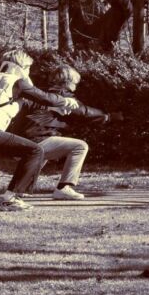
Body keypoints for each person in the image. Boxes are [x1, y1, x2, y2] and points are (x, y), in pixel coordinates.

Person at [0, 50, 79, 212]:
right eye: (28, 68)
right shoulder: (17, 82)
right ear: (21, 67)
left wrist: (54, 106)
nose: (29, 72)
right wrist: (65, 101)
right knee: (35, 151)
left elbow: (29, 102)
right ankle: (11, 198)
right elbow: (44, 97)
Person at [10, 64, 117, 200]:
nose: (76, 86)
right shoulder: (64, 97)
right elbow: (84, 113)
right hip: (36, 141)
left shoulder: (39, 93)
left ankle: (21, 188)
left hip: (18, 142)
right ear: (68, 83)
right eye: (75, 83)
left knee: (46, 149)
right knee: (80, 146)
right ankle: (64, 188)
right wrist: (108, 117)